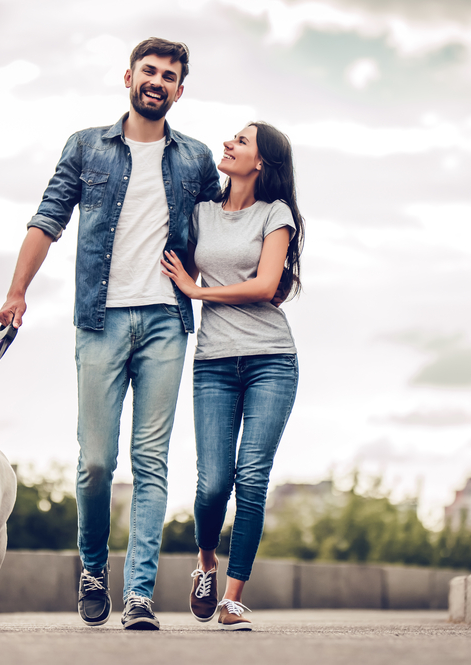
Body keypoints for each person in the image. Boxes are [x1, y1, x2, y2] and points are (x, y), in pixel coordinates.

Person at [0, 37, 220, 631]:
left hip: (167, 323)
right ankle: (93, 569)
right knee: (96, 462)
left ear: (179, 89)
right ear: (128, 77)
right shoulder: (85, 146)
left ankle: (140, 594)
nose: (158, 81)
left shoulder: (196, 159)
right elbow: (47, 219)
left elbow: (221, 231)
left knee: (151, 461)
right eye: (149, 70)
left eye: (169, 75)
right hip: (99, 320)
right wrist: (17, 291)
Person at [160, 121, 304, 630]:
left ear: (260, 162)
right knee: (213, 482)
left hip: (271, 359)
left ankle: (234, 598)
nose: (228, 143)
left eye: (241, 141)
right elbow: (179, 268)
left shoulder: (276, 214)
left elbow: (266, 285)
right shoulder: (201, 213)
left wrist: (198, 294)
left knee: (252, 479)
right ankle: (205, 566)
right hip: (214, 363)